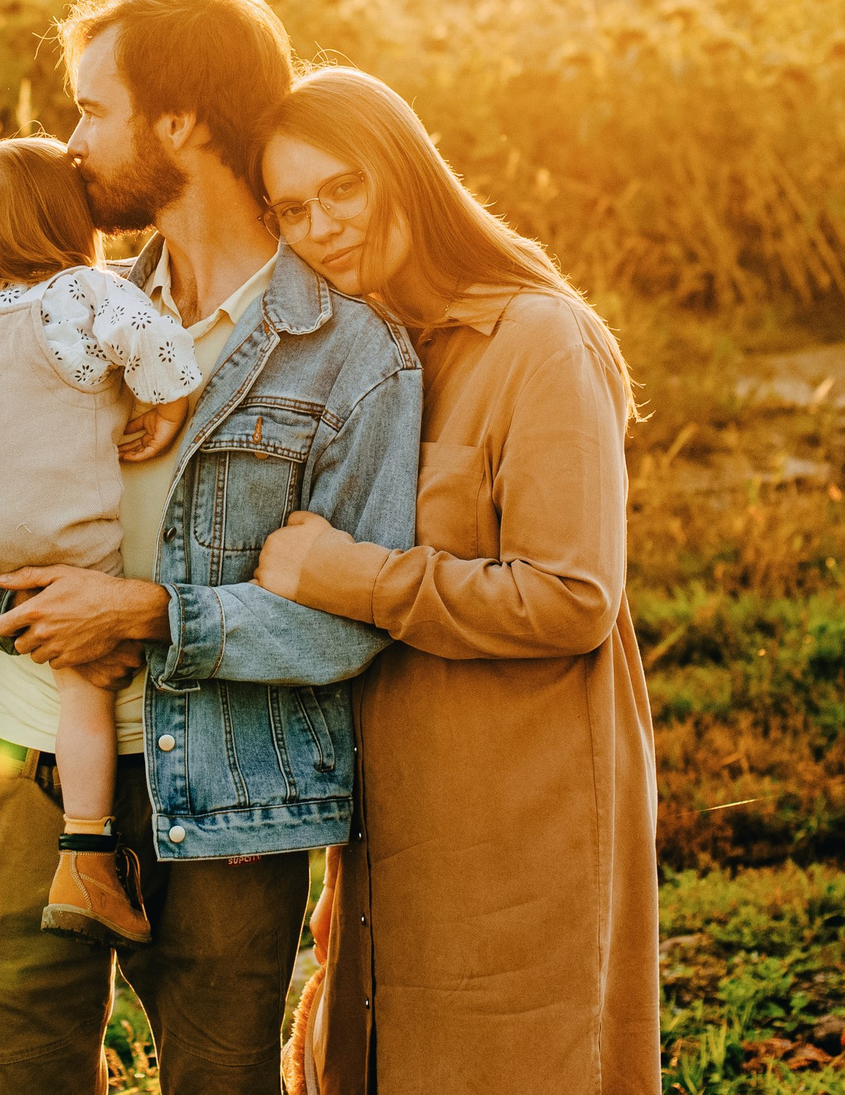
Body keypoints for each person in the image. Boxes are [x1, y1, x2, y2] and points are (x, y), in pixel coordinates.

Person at [0, 0, 425, 1095]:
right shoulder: (44, 309)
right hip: (24, 765)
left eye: (93, 109)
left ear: (177, 122)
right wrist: (6, 605)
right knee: (17, 1071)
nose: (71, 145)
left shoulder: (354, 356)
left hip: (232, 798)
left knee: (220, 1079)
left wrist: (145, 614)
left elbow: (351, 622)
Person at [253, 67, 661, 1095]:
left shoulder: (537, 338)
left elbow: (572, 597)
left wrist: (348, 574)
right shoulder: (368, 355)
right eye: (291, 208)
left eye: (341, 188)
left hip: (519, 809)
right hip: (389, 814)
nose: (320, 228)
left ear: (406, 171)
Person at [0, 135, 206, 946]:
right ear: (72, 221)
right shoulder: (85, 293)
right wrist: (167, 403)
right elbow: (156, 342)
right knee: (84, 686)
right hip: (66, 534)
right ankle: (87, 854)